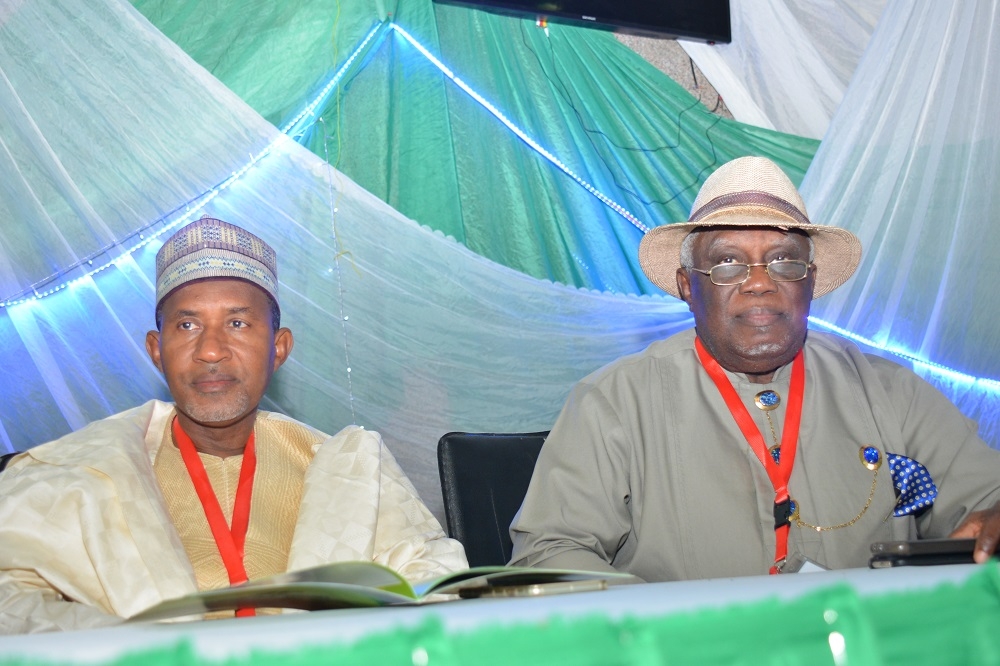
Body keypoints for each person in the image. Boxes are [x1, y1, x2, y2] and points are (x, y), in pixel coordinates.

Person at [510, 156, 1000, 581]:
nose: (760, 284)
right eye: (727, 263)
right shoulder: (614, 403)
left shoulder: (891, 394)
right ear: (687, 285)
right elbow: (549, 555)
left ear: (811, 281)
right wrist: (670, 628)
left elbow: (987, 501)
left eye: (784, 261)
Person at [0, 217, 467, 634]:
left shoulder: (348, 470)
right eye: (186, 326)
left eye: (239, 323)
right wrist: (140, 645)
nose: (211, 350)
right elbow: (10, 599)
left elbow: (434, 587)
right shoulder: (78, 473)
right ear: (156, 350)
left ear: (279, 348)